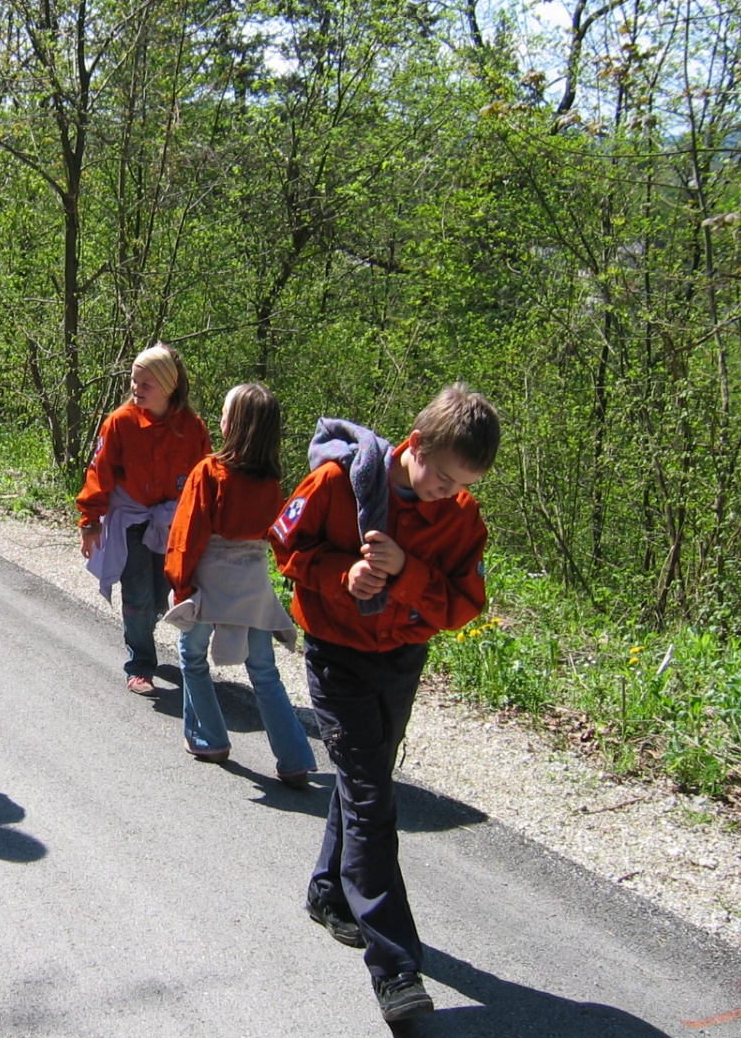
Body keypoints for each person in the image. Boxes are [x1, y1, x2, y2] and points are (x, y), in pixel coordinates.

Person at [269, 383, 499, 1023]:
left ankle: (328, 892)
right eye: (442, 478)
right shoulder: (339, 483)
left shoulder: (461, 517)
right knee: (371, 796)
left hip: (400, 659)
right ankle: (395, 968)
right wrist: (341, 573)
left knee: (363, 777)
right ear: (416, 445)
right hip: (337, 654)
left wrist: (405, 573)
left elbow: (463, 604)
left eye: (461, 484)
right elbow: (285, 545)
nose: (446, 493)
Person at [162, 383, 317, 786]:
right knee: (264, 672)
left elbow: (187, 534)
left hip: (208, 584)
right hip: (252, 587)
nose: (220, 419)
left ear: (237, 425)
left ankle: (208, 737)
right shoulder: (272, 481)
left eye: (226, 413)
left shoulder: (209, 471)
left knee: (192, 657)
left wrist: (180, 586)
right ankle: (295, 758)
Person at [77, 344, 211, 695]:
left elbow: (206, 479)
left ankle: (144, 633)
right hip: (131, 520)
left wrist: (209, 525)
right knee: (136, 595)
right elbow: (99, 472)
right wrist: (90, 522)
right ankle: (140, 666)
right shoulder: (119, 423)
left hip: (172, 524)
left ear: (168, 387)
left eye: (146, 383)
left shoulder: (193, 428)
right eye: (134, 381)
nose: (136, 389)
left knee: (160, 595)